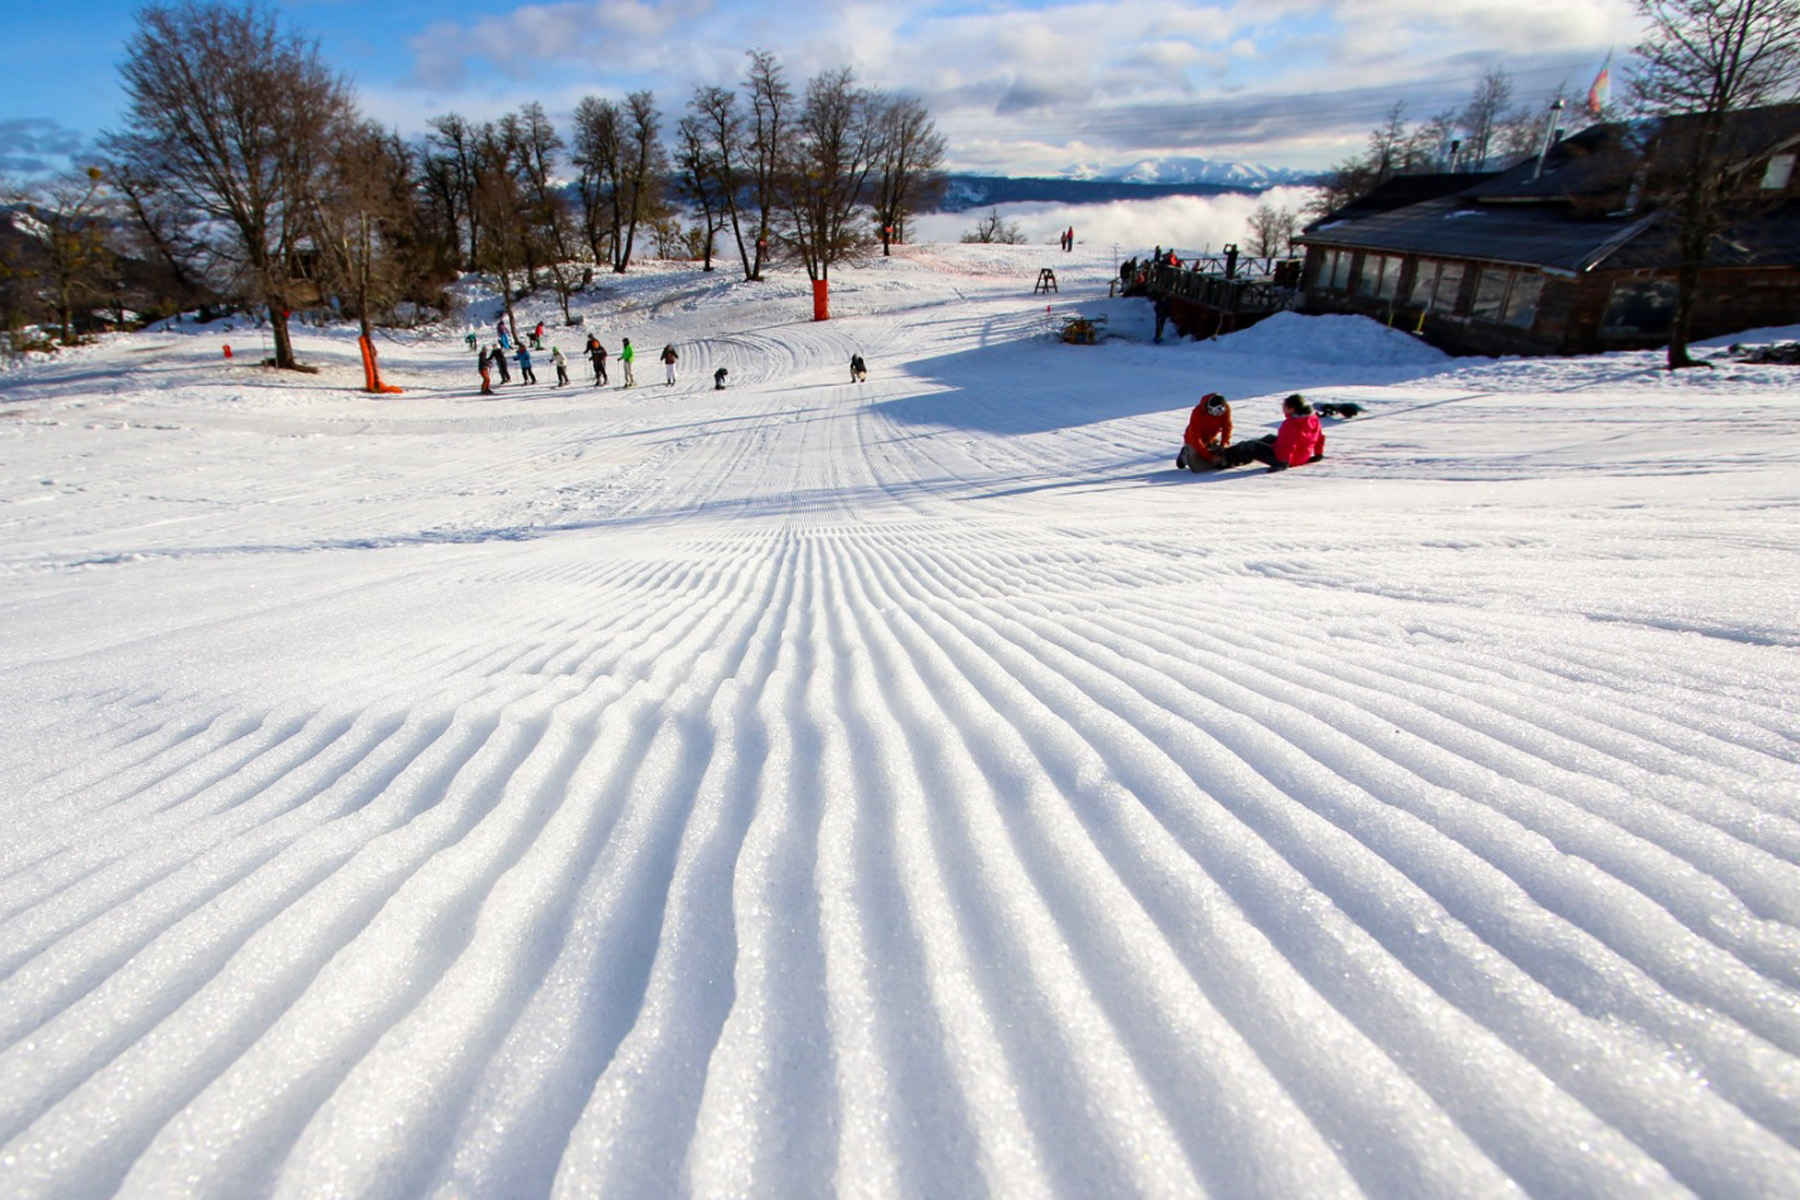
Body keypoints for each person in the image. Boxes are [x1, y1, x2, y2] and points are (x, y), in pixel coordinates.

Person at [1233, 393, 1327, 472]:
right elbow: (1319, 437)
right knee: (1270, 438)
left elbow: (1289, 444)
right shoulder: (1312, 418)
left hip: (1286, 459)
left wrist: (1283, 462)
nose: (1283, 409)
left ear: (1292, 409)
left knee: (1248, 446)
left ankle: (1222, 459)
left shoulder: (1292, 423)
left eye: (1284, 406)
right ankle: (1243, 457)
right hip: (1302, 456)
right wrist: (1318, 454)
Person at [1175, 393, 1233, 471]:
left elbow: (1227, 427)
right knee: (1199, 467)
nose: (1218, 414)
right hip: (1193, 441)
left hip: (1210, 439)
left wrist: (1224, 443)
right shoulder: (1197, 412)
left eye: (1220, 411)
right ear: (1209, 408)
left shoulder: (1225, 409)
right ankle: (1184, 456)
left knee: (1225, 459)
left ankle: (1211, 449)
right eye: (1215, 411)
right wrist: (1211, 458)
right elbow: (1195, 438)